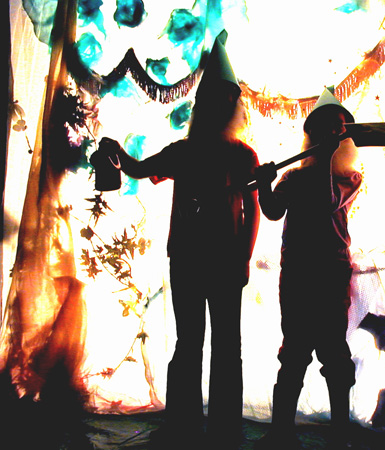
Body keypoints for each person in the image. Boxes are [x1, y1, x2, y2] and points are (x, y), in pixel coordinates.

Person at [94, 30, 259, 449]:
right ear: (207, 105)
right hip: (186, 260)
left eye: (226, 99)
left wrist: (244, 258)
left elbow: (253, 210)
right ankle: (186, 424)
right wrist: (116, 152)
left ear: (232, 105)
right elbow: (137, 168)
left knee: (226, 345)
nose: (220, 106)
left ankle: (223, 427)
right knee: (191, 342)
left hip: (225, 262)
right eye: (215, 99)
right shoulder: (182, 152)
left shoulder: (243, 156)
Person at [253, 88, 362, 450]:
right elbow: (273, 210)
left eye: (339, 127)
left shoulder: (350, 178)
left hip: (332, 274)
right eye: (326, 127)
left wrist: (327, 157)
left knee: (333, 352)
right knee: (295, 350)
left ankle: (340, 435)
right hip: (297, 273)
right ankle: (281, 431)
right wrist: (265, 183)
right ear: (312, 134)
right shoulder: (293, 177)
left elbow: (328, 201)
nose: (333, 132)